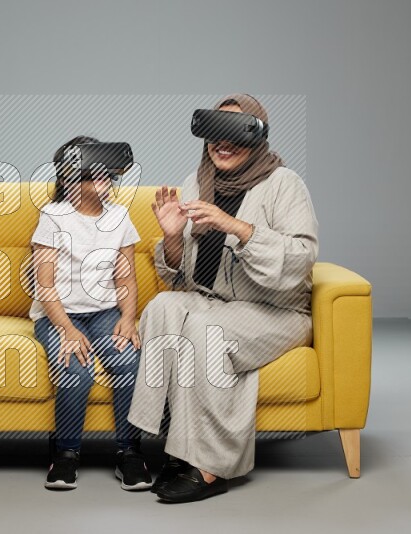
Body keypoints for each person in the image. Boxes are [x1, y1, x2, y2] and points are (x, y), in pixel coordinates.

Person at [127, 94, 319, 503]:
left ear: (258, 136)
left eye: (236, 132)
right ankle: (175, 440)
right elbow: (179, 277)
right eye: (216, 132)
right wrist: (172, 237)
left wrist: (237, 227)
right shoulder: (198, 183)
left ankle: (212, 467)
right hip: (214, 300)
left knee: (204, 330)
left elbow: (302, 258)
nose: (223, 143)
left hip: (275, 310)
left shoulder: (284, 183)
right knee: (162, 308)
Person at [30, 136, 152, 491]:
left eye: (105, 171)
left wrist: (127, 318)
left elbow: (125, 277)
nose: (103, 178)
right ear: (69, 177)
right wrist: (67, 329)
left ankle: (130, 453)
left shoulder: (119, 216)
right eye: (91, 171)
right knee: (76, 371)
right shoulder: (53, 217)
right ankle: (66, 454)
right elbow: (45, 284)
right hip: (58, 316)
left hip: (105, 312)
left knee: (128, 362)